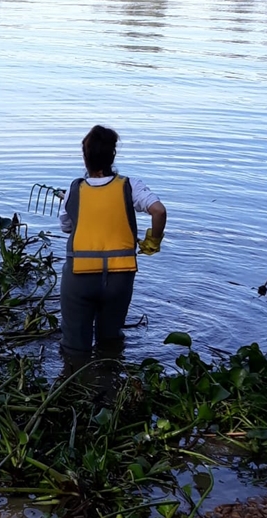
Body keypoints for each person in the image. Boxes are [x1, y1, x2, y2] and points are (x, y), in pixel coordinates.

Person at [58, 125, 167, 365]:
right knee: (110, 341)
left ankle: (77, 387)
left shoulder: (74, 189)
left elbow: (66, 227)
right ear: (112, 156)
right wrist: (152, 242)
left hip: (80, 278)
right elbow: (159, 211)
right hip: (119, 279)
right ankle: (110, 385)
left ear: (85, 158)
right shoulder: (130, 186)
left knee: (75, 346)